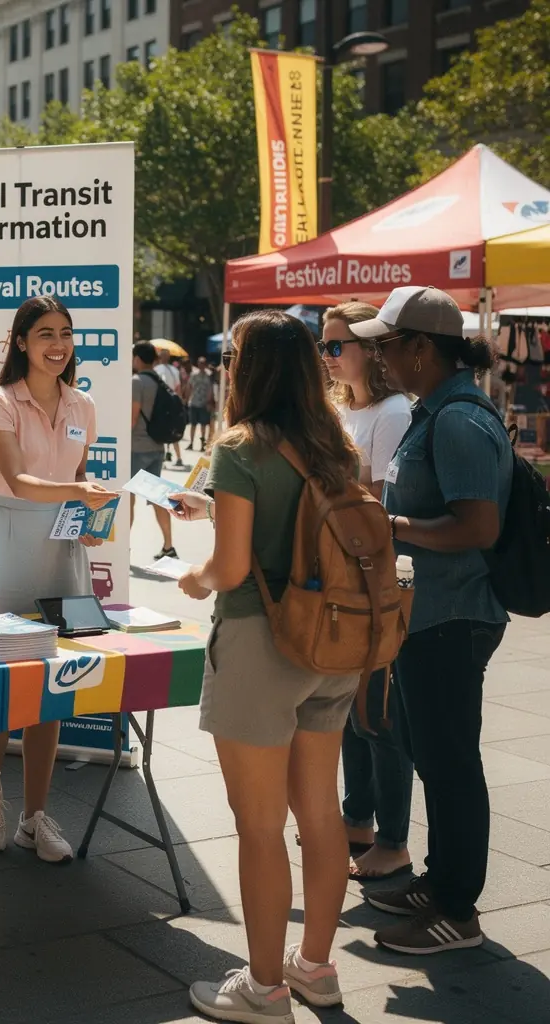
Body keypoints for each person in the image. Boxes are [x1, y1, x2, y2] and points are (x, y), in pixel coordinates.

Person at [172, 310, 360, 1022]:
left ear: (246, 370)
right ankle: (314, 968)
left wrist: (192, 578)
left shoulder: (242, 447)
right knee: (319, 810)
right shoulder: (336, 442)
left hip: (261, 641)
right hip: (334, 642)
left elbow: (230, 567)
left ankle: (263, 988)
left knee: (257, 825)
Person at [349, 286, 512, 955]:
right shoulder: (435, 410)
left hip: (454, 615)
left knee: (450, 764)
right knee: (435, 759)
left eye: (386, 343)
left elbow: (479, 525)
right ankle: (440, 883)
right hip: (428, 614)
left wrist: (388, 524)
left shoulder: (458, 419)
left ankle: (457, 911)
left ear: (422, 348)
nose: (377, 355)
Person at [0, 296, 115, 864]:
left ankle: (34, 816)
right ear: (20, 341)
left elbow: (76, 475)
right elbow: (20, 481)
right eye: (45, 332)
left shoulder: (84, 404)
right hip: (3, 543)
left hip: (61, 549)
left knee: (55, 682)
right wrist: (79, 492)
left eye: (66, 332)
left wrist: (90, 521)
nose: (58, 344)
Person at [321, 302, 415, 884]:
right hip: (339, 580)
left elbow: (379, 509)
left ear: (371, 350)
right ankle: (356, 819)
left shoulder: (392, 412)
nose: (327, 357)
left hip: (374, 583)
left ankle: (394, 839)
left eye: (337, 346)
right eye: (323, 347)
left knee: (378, 715)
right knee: (349, 714)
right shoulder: (343, 410)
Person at [132, 342, 177, 560]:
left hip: (136, 448)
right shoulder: (161, 381)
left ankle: (124, 547)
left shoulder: (137, 382)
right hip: (157, 447)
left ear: (138, 358)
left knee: (128, 498)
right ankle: (168, 545)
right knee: (158, 497)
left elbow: (132, 417)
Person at [155, 348, 185, 467]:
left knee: (163, 431)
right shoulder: (174, 370)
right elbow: (178, 388)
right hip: (173, 404)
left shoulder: (157, 370)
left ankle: (164, 458)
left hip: (162, 405)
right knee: (173, 431)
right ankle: (178, 457)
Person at [186, 356, 215, 453]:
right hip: (194, 401)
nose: (201, 365)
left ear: (205, 364)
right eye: (199, 363)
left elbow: (211, 388)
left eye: (203, 363)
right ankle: (191, 442)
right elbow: (189, 386)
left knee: (203, 424)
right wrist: (187, 399)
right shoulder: (193, 374)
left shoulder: (209, 375)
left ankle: (202, 443)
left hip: (204, 403)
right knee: (193, 424)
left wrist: (209, 401)